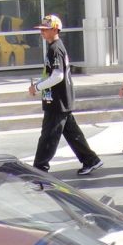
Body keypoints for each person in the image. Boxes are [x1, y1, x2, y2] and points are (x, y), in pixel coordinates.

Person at [29, 15, 102, 177]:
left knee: (49, 136)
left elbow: (58, 76)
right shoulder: (55, 47)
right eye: (41, 29)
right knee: (72, 134)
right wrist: (39, 84)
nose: (42, 32)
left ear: (55, 29)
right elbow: (53, 74)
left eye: (45, 29)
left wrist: (37, 87)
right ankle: (91, 160)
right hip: (60, 100)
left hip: (57, 101)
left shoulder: (55, 49)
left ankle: (40, 168)